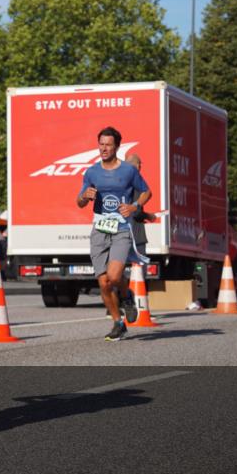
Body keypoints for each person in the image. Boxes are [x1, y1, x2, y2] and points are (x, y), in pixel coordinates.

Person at [76, 126, 152, 341]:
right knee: (103, 283)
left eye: (108, 145)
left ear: (117, 146)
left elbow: (147, 191)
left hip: (121, 230)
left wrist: (134, 206)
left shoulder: (128, 171)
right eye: (101, 144)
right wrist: (85, 196)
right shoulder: (91, 172)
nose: (104, 148)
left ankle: (127, 296)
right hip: (99, 230)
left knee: (115, 276)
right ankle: (118, 323)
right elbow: (79, 202)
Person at [124, 153, 156, 260]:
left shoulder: (120, 183)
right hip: (136, 237)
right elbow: (136, 211)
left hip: (120, 237)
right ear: (137, 166)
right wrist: (148, 216)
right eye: (140, 165)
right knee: (138, 271)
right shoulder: (137, 183)